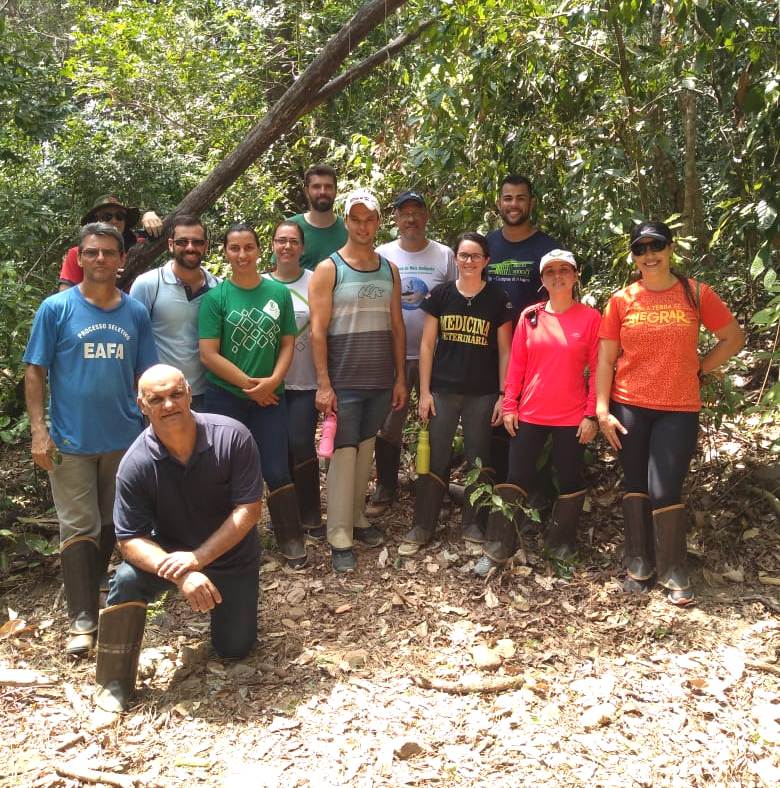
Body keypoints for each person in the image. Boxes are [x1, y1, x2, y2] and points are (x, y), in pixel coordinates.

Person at [94, 365, 264, 712]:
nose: (168, 404)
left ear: (189, 394)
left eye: (175, 394)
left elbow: (249, 510)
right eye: (157, 399)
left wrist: (199, 558)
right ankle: (114, 682)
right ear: (142, 405)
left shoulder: (232, 436)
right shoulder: (135, 464)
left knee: (234, 648)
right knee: (126, 579)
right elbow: (129, 539)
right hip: (170, 555)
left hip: (231, 555)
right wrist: (184, 572)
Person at [23, 222, 158, 657]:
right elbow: (35, 371)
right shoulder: (56, 309)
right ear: (79, 258)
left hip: (123, 439)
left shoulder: (134, 312)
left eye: (108, 252)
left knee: (111, 523)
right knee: (78, 526)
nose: (100, 258)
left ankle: (93, 588)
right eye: (92, 252)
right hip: (71, 442)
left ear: (122, 259)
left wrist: (155, 426)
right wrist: (39, 431)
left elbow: (146, 374)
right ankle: (82, 621)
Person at [596, 221, 744, 606]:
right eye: (640, 249)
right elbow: (606, 359)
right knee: (635, 484)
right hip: (629, 404)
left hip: (677, 407)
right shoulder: (622, 300)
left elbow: (733, 337)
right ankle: (639, 562)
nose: (649, 255)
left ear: (670, 248)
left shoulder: (695, 293)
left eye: (656, 246)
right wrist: (601, 409)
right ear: (633, 256)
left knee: (665, 489)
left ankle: (674, 567)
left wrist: (700, 367)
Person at [474, 250, 601, 576]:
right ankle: (498, 548)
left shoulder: (590, 318)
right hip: (530, 413)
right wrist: (510, 405)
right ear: (542, 279)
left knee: (569, 479)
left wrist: (592, 415)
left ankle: (561, 546)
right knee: (516, 478)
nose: (558, 276)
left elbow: (599, 370)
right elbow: (517, 365)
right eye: (550, 271)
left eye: (564, 270)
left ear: (575, 275)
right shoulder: (530, 316)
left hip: (572, 416)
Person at [309, 188, 407, 572]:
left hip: (379, 379)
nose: (363, 226)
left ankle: (356, 517)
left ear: (378, 222)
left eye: (369, 219)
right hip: (344, 379)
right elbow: (318, 331)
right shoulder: (329, 269)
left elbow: (397, 326)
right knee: (343, 453)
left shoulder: (389, 269)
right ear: (346, 221)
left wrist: (400, 378)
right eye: (356, 219)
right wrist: (324, 384)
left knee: (365, 450)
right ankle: (339, 534)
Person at [198, 223, 307, 569]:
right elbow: (208, 354)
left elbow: (287, 342)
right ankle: (231, 545)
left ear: (260, 250)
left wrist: (272, 381)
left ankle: (290, 537)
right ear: (225, 252)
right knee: (225, 470)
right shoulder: (216, 298)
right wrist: (251, 386)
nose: (242, 254)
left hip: (271, 398)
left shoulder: (278, 293)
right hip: (225, 397)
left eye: (248, 247)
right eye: (235, 248)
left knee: (276, 467)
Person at [398, 232, 512, 556]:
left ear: (486, 261)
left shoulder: (498, 299)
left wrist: (504, 394)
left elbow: (506, 351)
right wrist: (424, 392)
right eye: (463, 255)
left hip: (483, 392)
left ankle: (474, 524)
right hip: (443, 390)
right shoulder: (441, 294)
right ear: (456, 259)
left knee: (479, 457)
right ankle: (423, 525)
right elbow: (427, 345)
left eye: (475, 256)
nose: (469, 261)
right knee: (436, 455)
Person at [365, 190, 456, 516]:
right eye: (405, 213)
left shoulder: (444, 255)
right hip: (395, 355)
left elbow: (456, 299)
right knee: (389, 421)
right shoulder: (382, 255)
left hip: (437, 355)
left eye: (417, 212)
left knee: (438, 422)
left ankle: (435, 489)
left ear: (426, 216)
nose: (411, 219)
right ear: (396, 218)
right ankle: (386, 486)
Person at [485, 174, 560, 486]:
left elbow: (560, 300)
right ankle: (494, 493)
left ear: (531, 202)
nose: (513, 204)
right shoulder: (486, 245)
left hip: (534, 352)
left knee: (528, 425)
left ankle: (530, 493)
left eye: (520, 198)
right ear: (499, 203)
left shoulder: (548, 249)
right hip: (489, 350)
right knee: (492, 423)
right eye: (508, 198)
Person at [262, 221, 323, 541]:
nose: (287, 246)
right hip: (269, 382)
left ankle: (310, 512)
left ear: (302, 247)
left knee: (300, 442)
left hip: (306, 378)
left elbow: (325, 328)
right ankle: (283, 515)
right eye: (281, 240)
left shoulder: (315, 280)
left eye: (293, 241)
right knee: (277, 446)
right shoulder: (259, 283)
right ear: (272, 245)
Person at [130, 216, 219, 411]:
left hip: (206, 394)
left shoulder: (218, 287)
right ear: (171, 245)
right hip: (160, 396)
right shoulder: (149, 284)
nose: (190, 247)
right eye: (182, 242)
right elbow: (132, 339)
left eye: (197, 242)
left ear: (205, 246)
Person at [58, 195, 162, 290]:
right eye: (106, 217)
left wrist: (149, 215)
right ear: (95, 221)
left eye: (120, 216)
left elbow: (167, 237)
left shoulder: (137, 245)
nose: (114, 221)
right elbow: (64, 297)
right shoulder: (79, 254)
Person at [283, 163, 348, 271]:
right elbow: (278, 273)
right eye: (316, 187)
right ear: (306, 191)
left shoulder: (349, 229)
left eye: (328, 187)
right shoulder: (289, 228)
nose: (322, 192)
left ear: (335, 190)